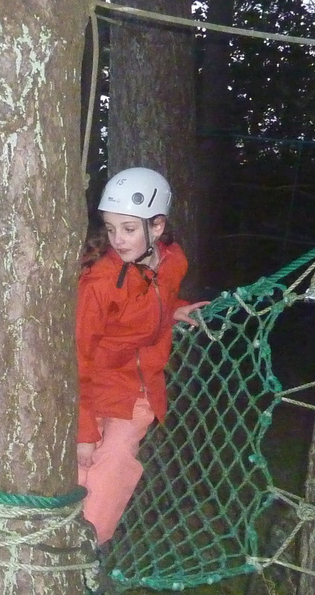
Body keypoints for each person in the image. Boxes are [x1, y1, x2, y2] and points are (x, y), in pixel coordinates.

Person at [76, 167, 208, 545]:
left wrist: (175, 308)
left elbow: (153, 301)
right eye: (111, 228)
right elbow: (77, 355)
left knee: (113, 464)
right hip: (91, 387)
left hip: (137, 391)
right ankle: (57, 543)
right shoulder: (99, 282)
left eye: (128, 229)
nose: (117, 239)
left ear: (157, 227)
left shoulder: (173, 263)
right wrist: (85, 428)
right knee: (79, 467)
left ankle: (87, 547)